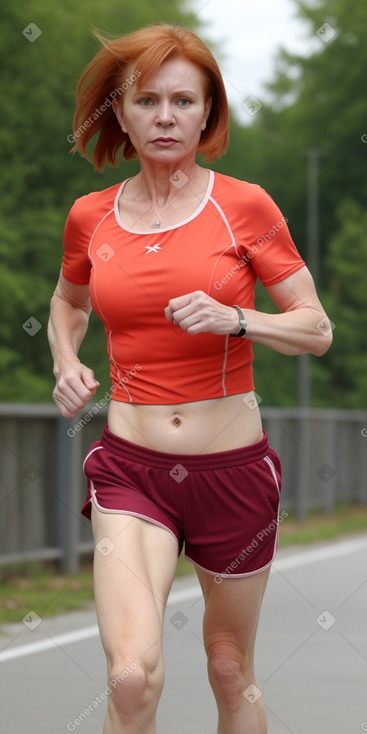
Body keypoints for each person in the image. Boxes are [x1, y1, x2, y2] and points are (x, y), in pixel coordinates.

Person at [48, 22, 332, 734]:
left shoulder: (244, 207)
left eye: (183, 101)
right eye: (147, 101)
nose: (165, 116)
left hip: (230, 472)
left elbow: (314, 328)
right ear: (121, 111)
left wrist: (238, 318)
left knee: (229, 665)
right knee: (129, 676)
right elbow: (67, 302)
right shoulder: (91, 216)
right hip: (131, 469)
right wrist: (64, 360)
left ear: (208, 113)